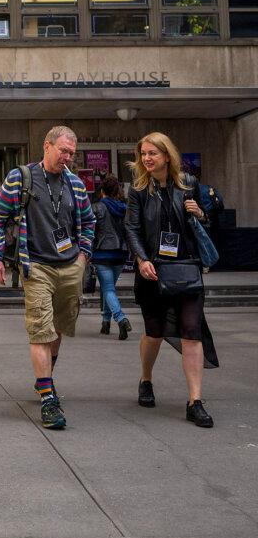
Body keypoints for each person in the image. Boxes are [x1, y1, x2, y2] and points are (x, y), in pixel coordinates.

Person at [0, 126, 94, 430]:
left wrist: (82, 257)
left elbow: (88, 222)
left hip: (70, 266)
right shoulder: (21, 178)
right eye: (63, 150)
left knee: (58, 329)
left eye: (72, 153)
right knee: (40, 329)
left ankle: (44, 379)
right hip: (36, 267)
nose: (68, 157)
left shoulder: (75, 184)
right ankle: (48, 398)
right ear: (47, 146)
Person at [124, 132, 214, 428]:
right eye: (144, 154)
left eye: (153, 153)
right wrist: (142, 259)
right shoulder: (138, 191)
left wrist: (199, 212)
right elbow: (132, 229)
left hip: (186, 269)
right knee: (154, 333)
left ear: (167, 156)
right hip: (153, 271)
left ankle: (195, 401)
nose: (147, 159)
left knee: (191, 332)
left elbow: (206, 223)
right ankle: (146, 379)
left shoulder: (188, 185)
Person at [92, 174, 132, 340]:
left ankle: (121, 318)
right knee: (109, 288)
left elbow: (92, 231)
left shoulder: (97, 207)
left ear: (102, 191)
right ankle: (105, 322)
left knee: (107, 288)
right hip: (120, 254)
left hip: (102, 253)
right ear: (117, 192)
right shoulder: (125, 208)